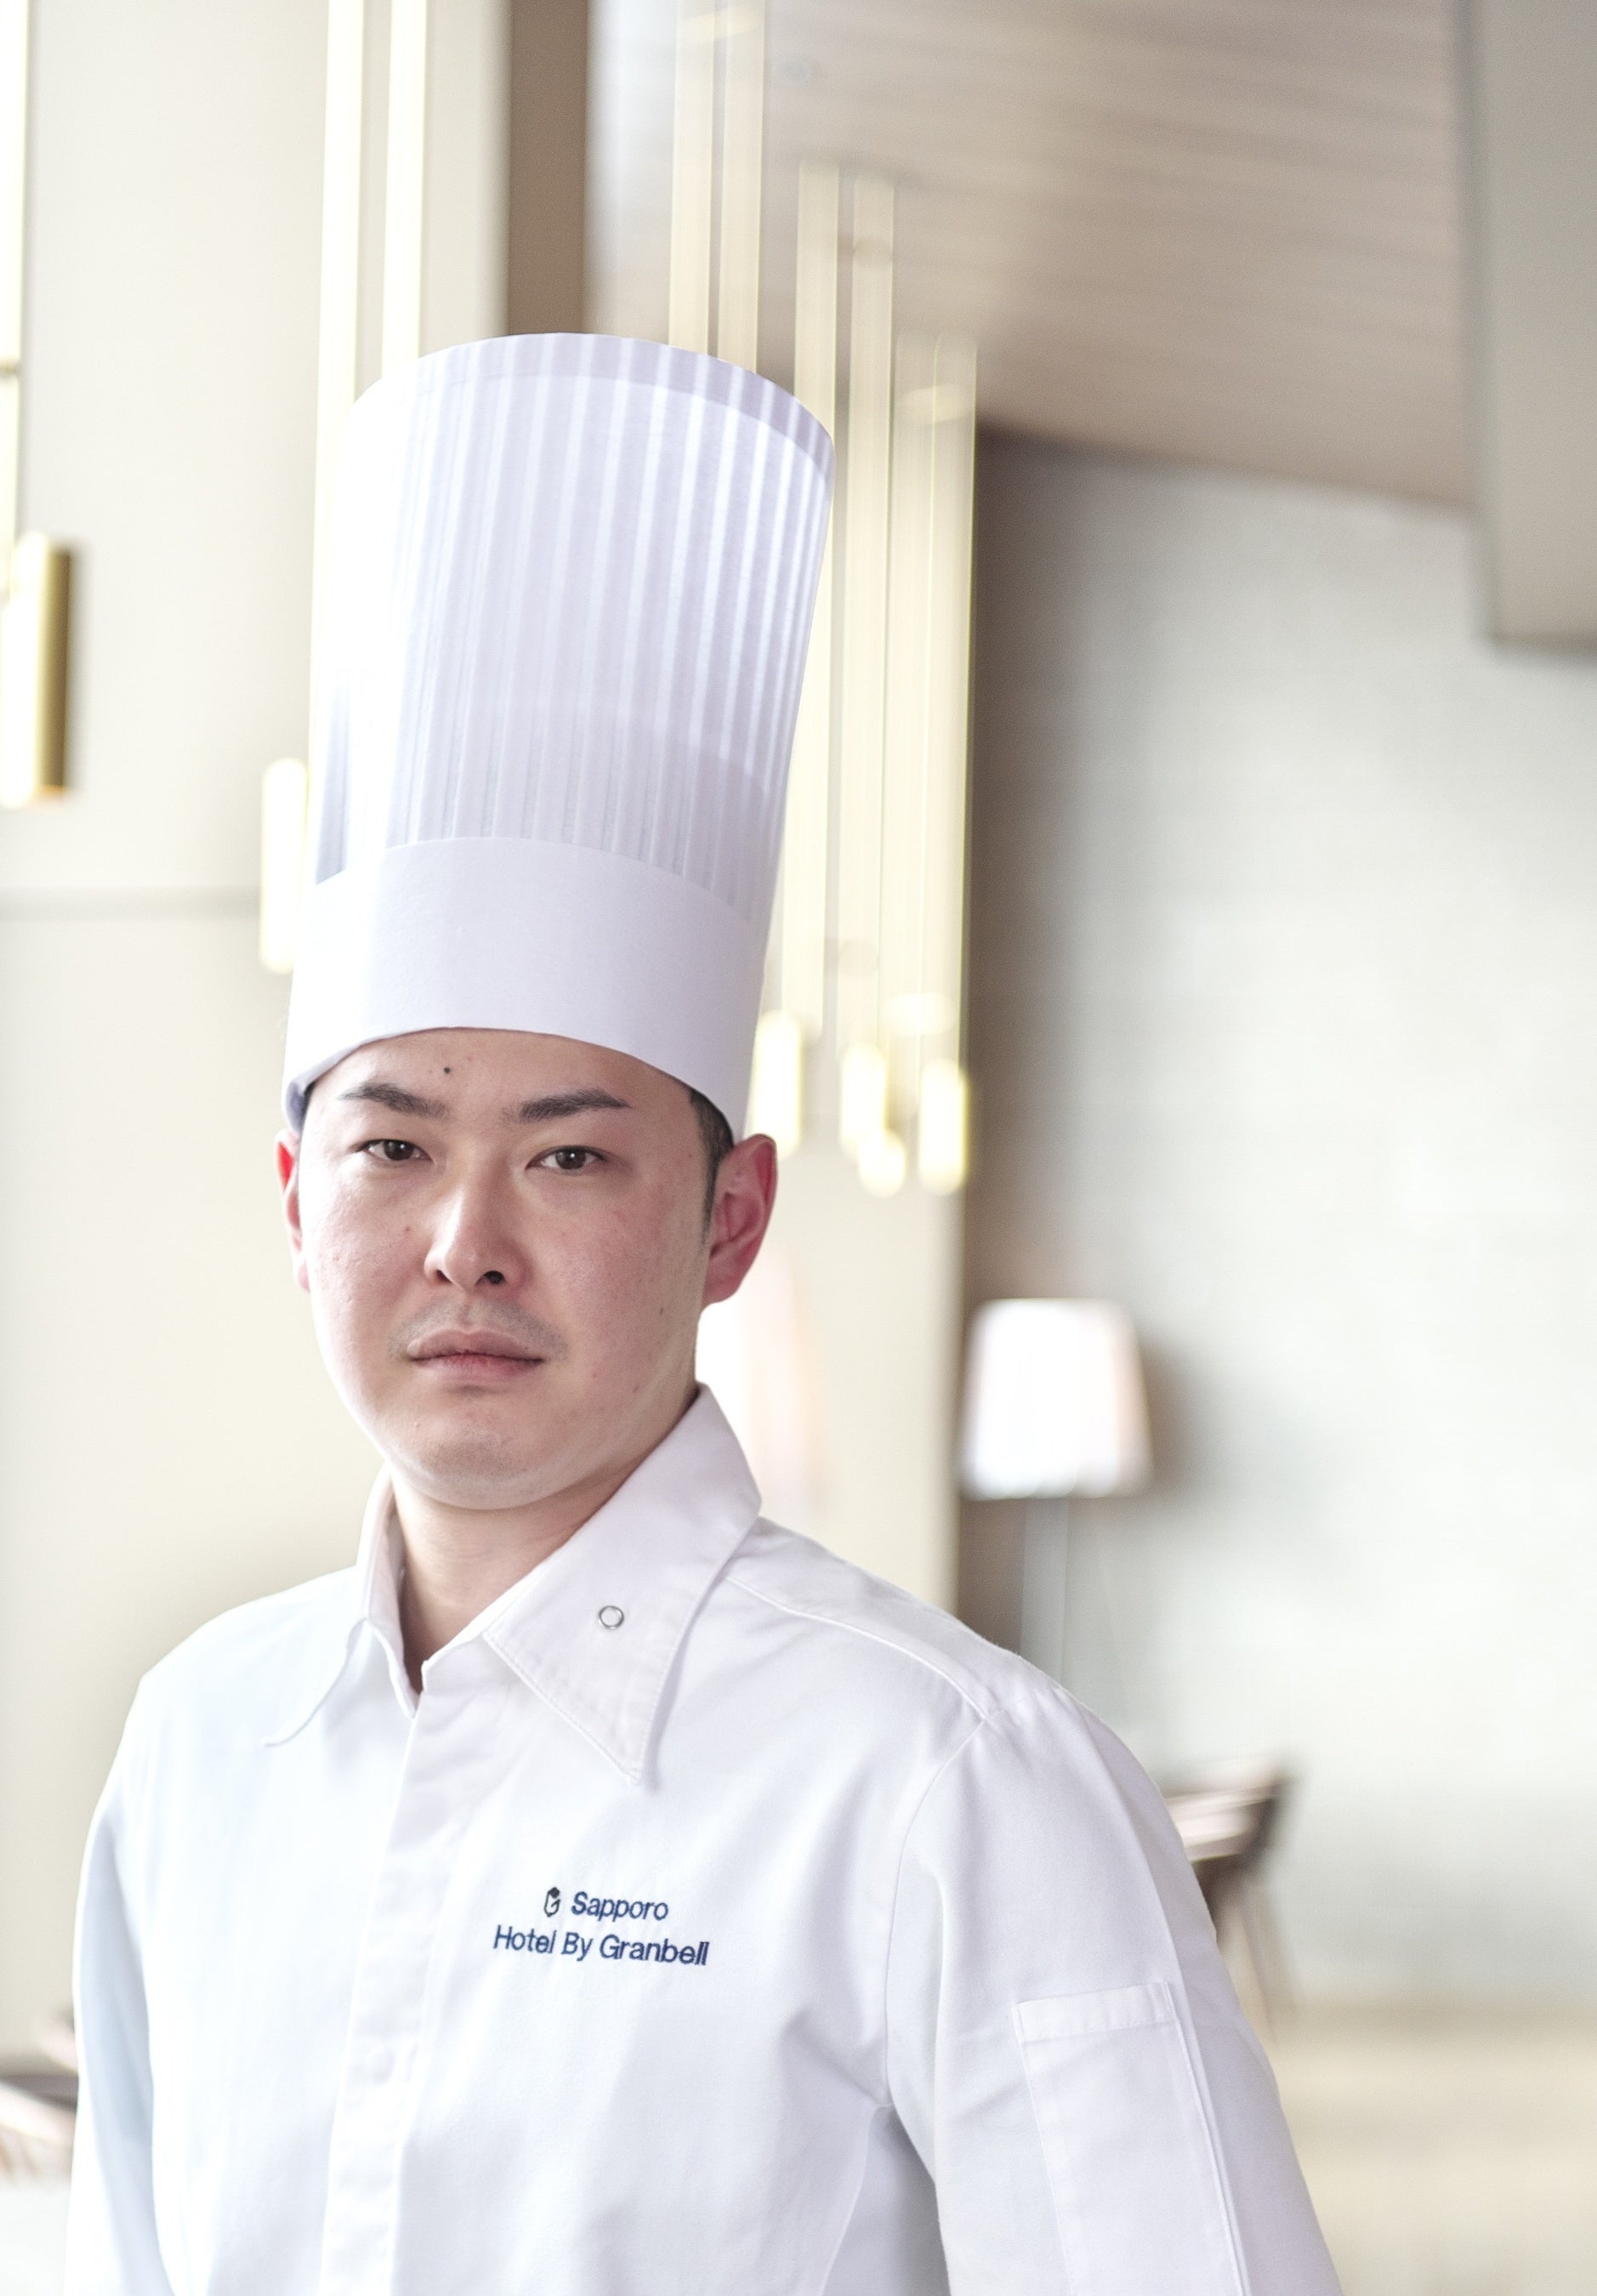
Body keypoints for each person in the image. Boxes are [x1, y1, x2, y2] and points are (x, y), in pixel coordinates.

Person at [66, 333, 1339, 2295]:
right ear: (298, 1205)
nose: (465, 1242)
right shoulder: (200, 1744)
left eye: (570, 1156)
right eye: (392, 1146)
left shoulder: (953, 1782)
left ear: (729, 1218)